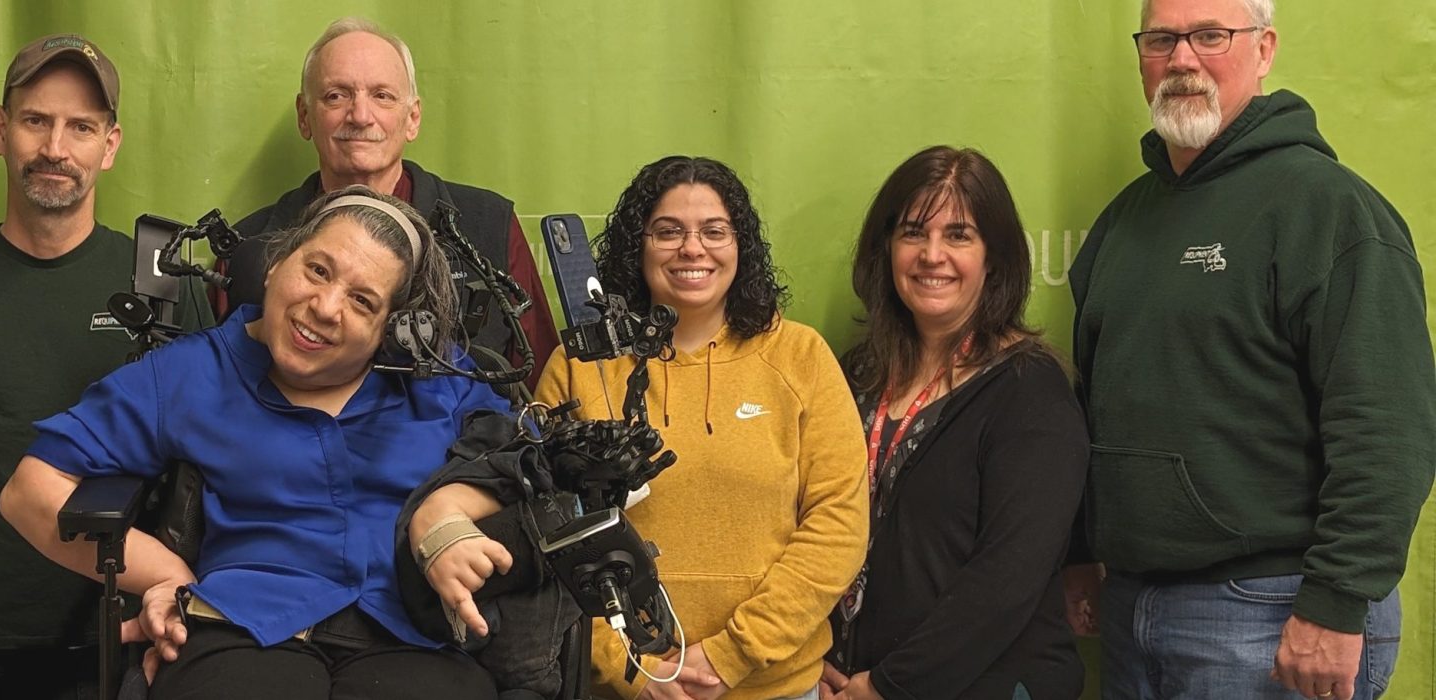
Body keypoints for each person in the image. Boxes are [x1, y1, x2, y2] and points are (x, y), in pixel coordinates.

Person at [0, 186, 510, 699]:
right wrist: (165, 575)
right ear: (276, 264)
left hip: (412, 632)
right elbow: (30, 491)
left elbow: (526, 458)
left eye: (363, 301)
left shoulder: (435, 377)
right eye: (317, 270)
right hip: (244, 627)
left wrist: (445, 509)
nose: (325, 307)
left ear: (391, 329)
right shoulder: (189, 373)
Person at [1068, 1, 1435, 699]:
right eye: (1162, 39)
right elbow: (1094, 407)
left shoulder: (1328, 209)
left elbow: (1387, 430)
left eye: (1211, 36)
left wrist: (1335, 602)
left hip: (1274, 612)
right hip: (1132, 607)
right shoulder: (1123, 222)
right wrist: (1081, 551)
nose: (1181, 60)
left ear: (1264, 50)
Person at [0, 34, 210, 700]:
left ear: (110, 145)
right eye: (36, 120)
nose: (56, 148)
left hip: (133, 630)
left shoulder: (165, 286)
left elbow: (206, 457)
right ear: (1, 130)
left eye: (81, 127)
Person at [531, 156, 867, 700]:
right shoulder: (579, 365)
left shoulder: (800, 356)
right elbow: (547, 532)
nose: (693, 249)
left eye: (714, 231)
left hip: (773, 687)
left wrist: (731, 654)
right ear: (637, 247)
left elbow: (839, 528)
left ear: (742, 246)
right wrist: (631, 670)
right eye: (668, 232)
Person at [820, 146, 1086, 700]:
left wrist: (892, 685)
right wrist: (812, 652)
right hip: (848, 683)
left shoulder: (1029, 390)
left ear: (994, 257)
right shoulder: (857, 376)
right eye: (913, 232)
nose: (931, 255)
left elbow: (1008, 578)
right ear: (887, 248)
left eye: (959, 235)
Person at [214, 17, 558, 388]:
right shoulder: (250, 245)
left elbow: (538, 386)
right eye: (336, 95)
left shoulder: (489, 225)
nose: (361, 116)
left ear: (412, 118)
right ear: (304, 116)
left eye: (382, 96)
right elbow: (220, 385)